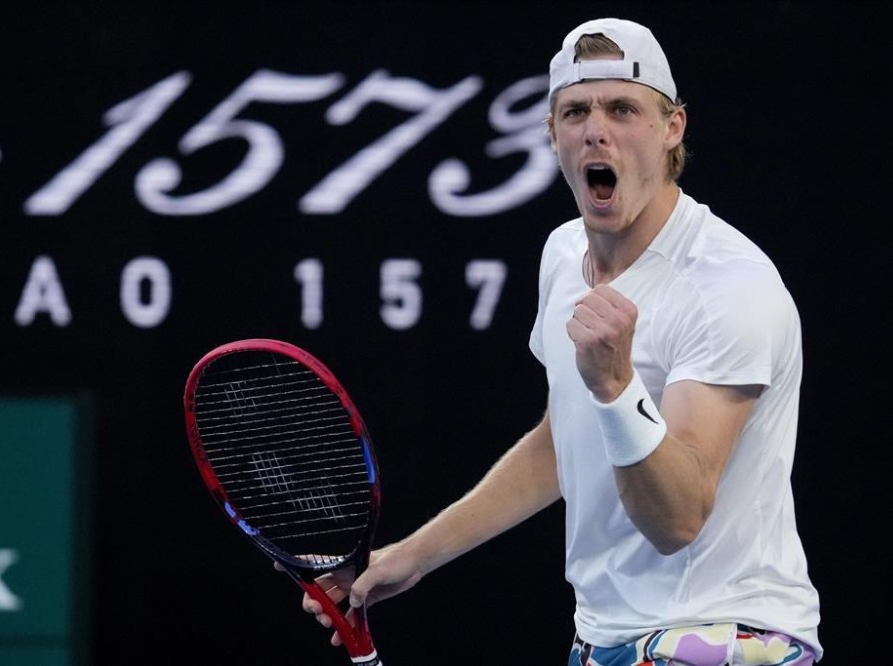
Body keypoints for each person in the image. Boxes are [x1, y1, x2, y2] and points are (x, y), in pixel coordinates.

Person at [294, 17, 823, 665]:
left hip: (728, 636)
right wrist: (413, 556)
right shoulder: (562, 253)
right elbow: (561, 444)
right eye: (575, 111)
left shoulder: (728, 288)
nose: (596, 128)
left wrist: (616, 387)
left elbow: (678, 521)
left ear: (672, 129)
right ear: (552, 134)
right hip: (606, 637)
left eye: (623, 108)